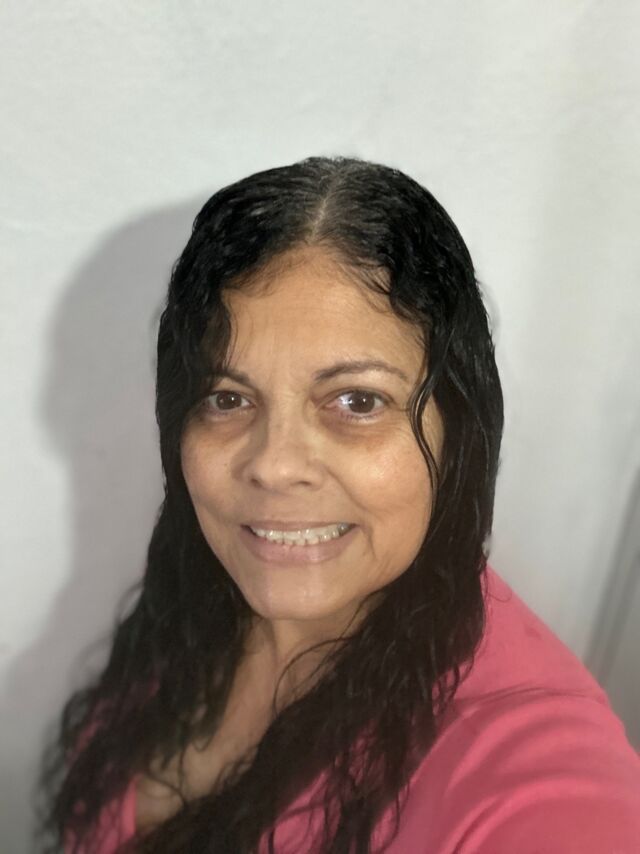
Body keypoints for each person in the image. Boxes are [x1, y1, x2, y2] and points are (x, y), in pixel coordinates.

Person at [39, 156, 640, 853]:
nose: (273, 465)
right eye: (228, 398)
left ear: (458, 432)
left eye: (357, 401)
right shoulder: (200, 590)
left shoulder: (525, 771)